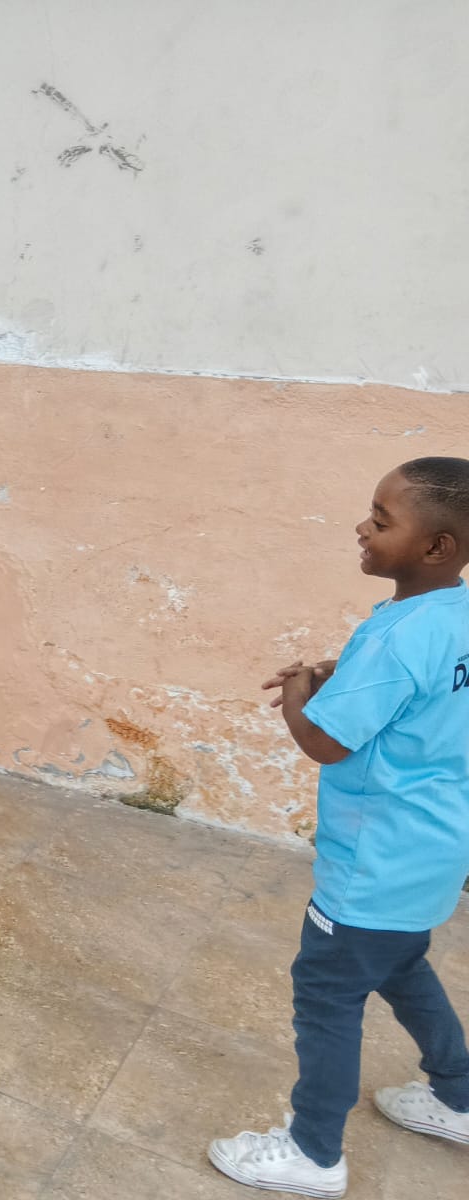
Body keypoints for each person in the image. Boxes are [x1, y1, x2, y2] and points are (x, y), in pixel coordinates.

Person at [209, 457, 469, 1197]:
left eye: (381, 521)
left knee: (326, 994)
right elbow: (418, 692)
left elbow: (327, 742)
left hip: (373, 859)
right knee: (402, 966)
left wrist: (300, 693)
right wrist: (341, 671)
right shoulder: (454, 616)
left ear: (437, 547)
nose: (362, 527)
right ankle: (459, 1096)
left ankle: (313, 1151)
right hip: (435, 850)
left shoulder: (397, 638)